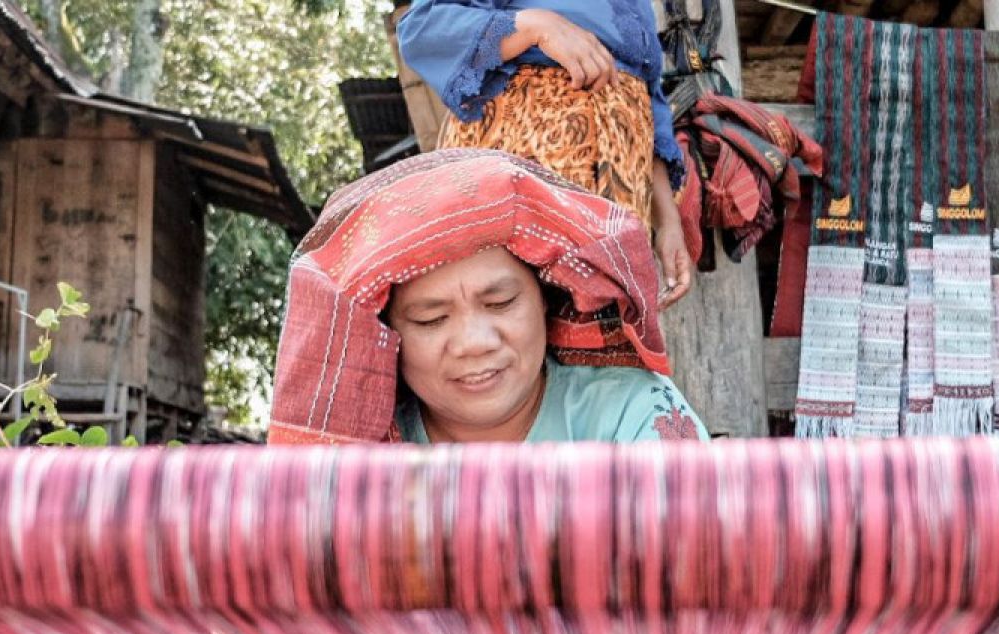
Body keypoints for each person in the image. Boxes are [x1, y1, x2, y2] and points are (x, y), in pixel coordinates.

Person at [267, 149, 706, 446]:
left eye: (499, 303)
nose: (475, 341)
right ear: (390, 338)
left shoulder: (629, 411)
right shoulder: (367, 456)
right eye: (430, 319)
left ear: (546, 302)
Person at [397, 0, 694, 309]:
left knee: (598, 334)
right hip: (521, 177)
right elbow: (422, 29)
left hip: (619, 197)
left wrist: (668, 224)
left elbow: (652, 114)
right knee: (506, 319)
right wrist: (537, 26)